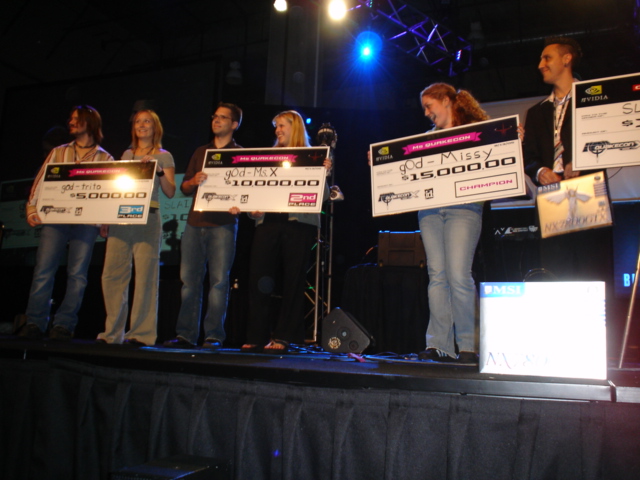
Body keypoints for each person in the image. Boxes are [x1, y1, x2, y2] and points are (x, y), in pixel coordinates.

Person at [17, 105, 114, 340]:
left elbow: (110, 192)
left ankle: (64, 324)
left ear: (89, 123)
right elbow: (40, 180)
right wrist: (31, 207)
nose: (71, 122)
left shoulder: (105, 158)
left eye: (76, 119)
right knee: (43, 270)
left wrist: (106, 219)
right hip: (56, 219)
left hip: (87, 223)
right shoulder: (58, 152)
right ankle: (35, 321)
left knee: (78, 275)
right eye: (70, 119)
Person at [239, 110, 331, 353]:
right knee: (259, 279)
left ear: (295, 127)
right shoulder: (267, 156)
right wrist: (252, 212)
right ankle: (256, 335)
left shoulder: (313, 156)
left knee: (293, 281)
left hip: (299, 224)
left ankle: (284, 336)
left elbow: (322, 197)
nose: (277, 130)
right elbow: (254, 190)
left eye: (281, 125)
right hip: (267, 223)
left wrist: (324, 173)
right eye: (276, 126)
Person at [523, 37, 611, 282]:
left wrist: (583, 160)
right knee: (555, 268)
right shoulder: (536, 112)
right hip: (551, 193)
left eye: (547, 58)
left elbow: (609, 139)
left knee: (592, 266)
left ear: (566, 59)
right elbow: (528, 156)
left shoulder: (595, 99)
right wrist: (539, 171)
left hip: (588, 189)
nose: (541, 65)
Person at [416, 83, 489, 364]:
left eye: (429, 106)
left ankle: (468, 346)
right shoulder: (424, 140)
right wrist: (382, 163)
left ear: (446, 101)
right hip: (430, 210)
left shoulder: (477, 132)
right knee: (437, 276)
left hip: (465, 208)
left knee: (459, 275)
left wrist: (513, 140)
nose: (426, 113)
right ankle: (439, 345)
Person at [163, 102, 243, 349]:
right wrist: (193, 181)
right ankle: (186, 335)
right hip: (195, 222)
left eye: (223, 117)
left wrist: (241, 204)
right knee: (189, 281)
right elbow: (185, 187)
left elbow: (247, 190)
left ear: (234, 124)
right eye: (214, 116)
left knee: (219, 282)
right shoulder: (201, 152)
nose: (216, 120)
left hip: (224, 224)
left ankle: (214, 336)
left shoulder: (241, 153)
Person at [97, 110, 176, 346]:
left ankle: (141, 334)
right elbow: (117, 189)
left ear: (155, 127)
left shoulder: (164, 155)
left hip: (148, 218)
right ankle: (112, 334)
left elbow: (170, 191)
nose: (142, 125)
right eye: (138, 121)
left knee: (146, 278)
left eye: (147, 121)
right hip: (121, 217)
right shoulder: (126, 154)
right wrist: (106, 218)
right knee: (112, 275)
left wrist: (158, 170)